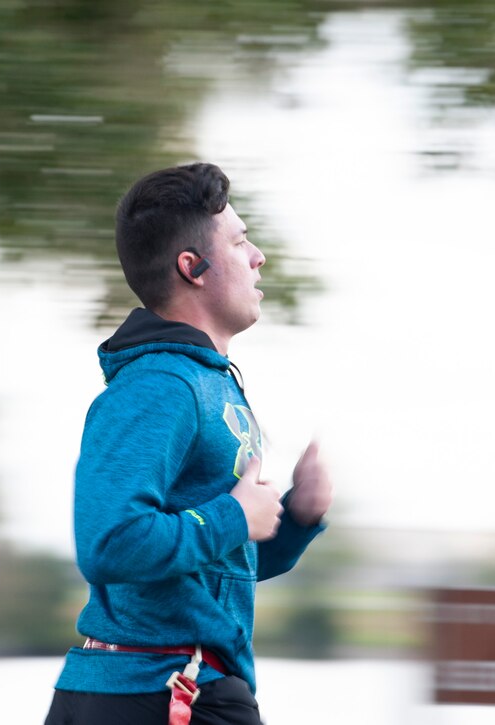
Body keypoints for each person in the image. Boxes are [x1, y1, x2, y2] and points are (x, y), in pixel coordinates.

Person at [44, 162, 333, 725]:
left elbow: (214, 566)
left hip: (178, 686)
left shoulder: (207, 383)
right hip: (160, 693)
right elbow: (109, 544)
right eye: (241, 241)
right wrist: (231, 514)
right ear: (192, 267)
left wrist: (296, 517)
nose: (258, 257)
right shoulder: (159, 386)